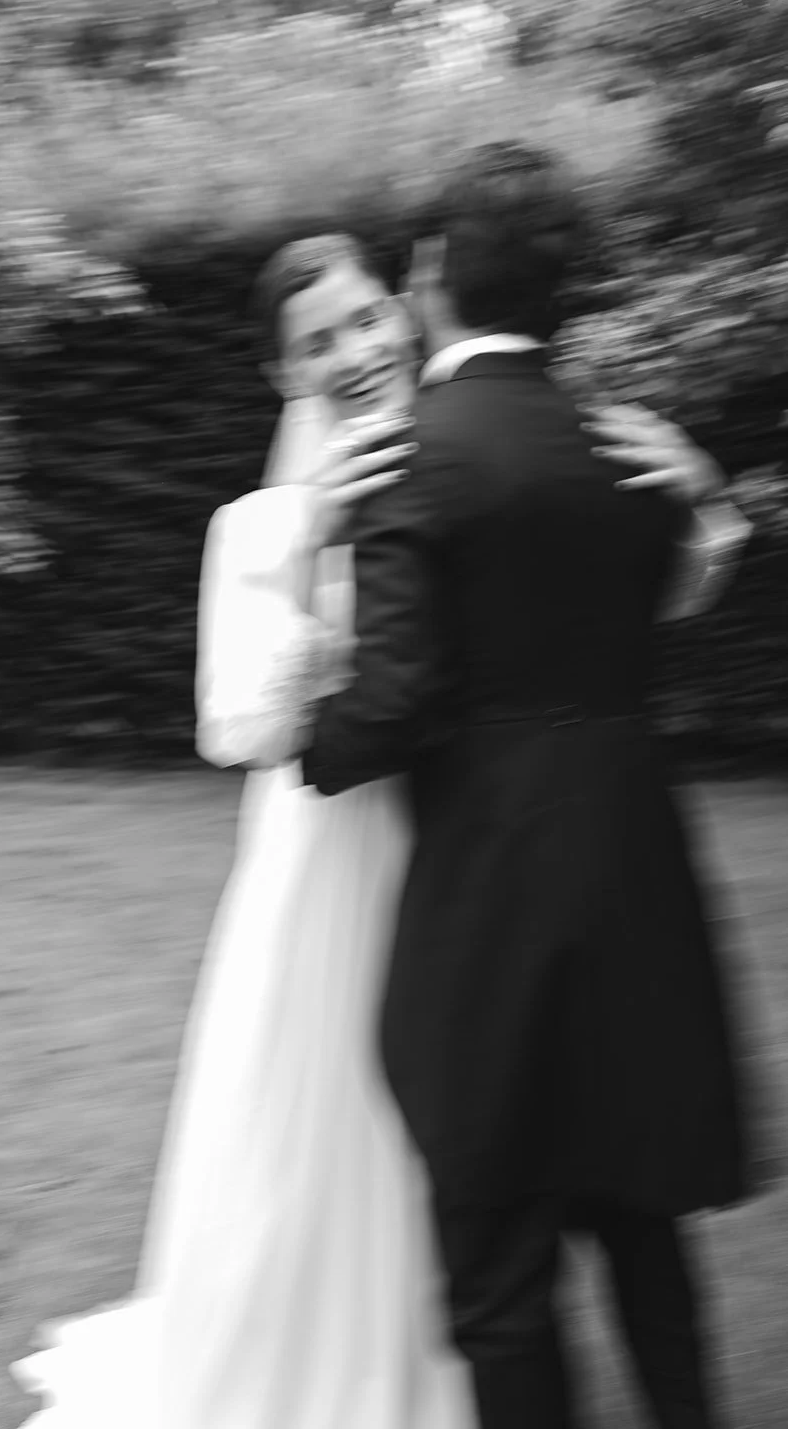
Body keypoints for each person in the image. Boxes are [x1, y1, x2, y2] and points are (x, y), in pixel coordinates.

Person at [11, 223, 749, 1429]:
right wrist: (306, 539)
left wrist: (701, 508)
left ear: (407, 314)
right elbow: (236, 726)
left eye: (364, 319)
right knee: (331, 1141)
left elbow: (604, 610)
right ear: (281, 375)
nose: (353, 351)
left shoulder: (469, 470)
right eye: (317, 342)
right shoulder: (259, 523)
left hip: (468, 866)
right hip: (332, 868)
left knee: (480, 1143)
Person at [300, 147, 755, 1429]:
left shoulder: (408, 461)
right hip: (637, 876)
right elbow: (659, 594)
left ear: (435, 273)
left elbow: (387, 709)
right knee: (644, 1234)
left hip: (490, 898)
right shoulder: (635, 457)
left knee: (499, 1274)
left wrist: (311, 736)